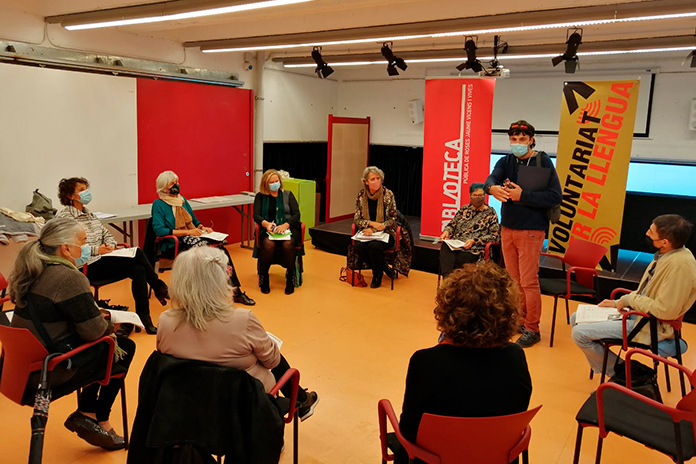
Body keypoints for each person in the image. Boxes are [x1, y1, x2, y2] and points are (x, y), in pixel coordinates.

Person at [8, 217, 135, 450]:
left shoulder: (32, 269)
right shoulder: (70, 277)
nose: (86, 247)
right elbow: (95, 332)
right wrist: (110, 324)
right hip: (48, 370)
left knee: (105, 345)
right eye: (83, 241)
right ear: (66, 248)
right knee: (122, 347)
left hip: (18, 369)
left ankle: (87, 412)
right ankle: (98, 418)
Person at [156, 246, 319, 421]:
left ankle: (301, 400)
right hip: (243, 404)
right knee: (267, 355)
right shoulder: (242, 320)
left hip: (189, 404)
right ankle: (299, 402)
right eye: (227, 271)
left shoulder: (165, 321)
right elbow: (272, 360)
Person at [396, 262, 532, 464]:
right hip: (495, 457)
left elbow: (409, 431)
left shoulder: (426, 362)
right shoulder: (515, 357)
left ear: (448, 310)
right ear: (506, 314)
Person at [571, 214, 696, 377]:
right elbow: (645, 292)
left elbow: (666, 311)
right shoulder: (666, 255)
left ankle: (622, 374)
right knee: (576, 318)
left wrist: (628, 300)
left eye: (651, 232)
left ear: (665, 242)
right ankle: (620, 369)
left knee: (579, 334)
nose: (647, 233)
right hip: (638, 315)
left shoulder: (680, 266)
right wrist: (618, 303)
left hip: (650, 325)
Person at [484, 120, 562, 348]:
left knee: (528, 281)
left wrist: (523, 196)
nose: (517, 143)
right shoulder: (505, 161)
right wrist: (491, 188)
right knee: (514, 281)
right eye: (513, 139)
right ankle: (519, 319)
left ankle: (532, 328)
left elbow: (555, 196)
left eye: (521, 140)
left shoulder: (542, 160)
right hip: (508, 228)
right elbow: (491, 178)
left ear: (531, 140)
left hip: (531, 230)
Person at [56, 177, 167, 334]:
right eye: (81, 190)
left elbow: (107, 235)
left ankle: (145, 319)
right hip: (85, 266)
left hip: (102, 260)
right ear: (70, 196)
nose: (86, 192)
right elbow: (69, 248)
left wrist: (110, 245)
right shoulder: (64, 219)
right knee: (138, 253)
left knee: (138, 269)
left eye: (86, 188)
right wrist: (97, 250)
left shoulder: (90, 215)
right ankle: (158, 286)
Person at [151, 170, 255, 306]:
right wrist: (187, 232)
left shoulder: (182, 200)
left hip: (192, 239)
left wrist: (201, 227)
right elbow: (159, 230)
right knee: (206, 257)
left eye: (177, 182)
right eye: (172, 183)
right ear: (164, 188)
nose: (177, 185)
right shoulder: (158, 204)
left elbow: (193, 219)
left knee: (222, 251)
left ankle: (236, 292)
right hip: (174, 244)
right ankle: (205, 295)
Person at [253, 169, 302, 295]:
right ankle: (264, 277)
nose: (275, 184)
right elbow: (256, 215)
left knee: (288, 244)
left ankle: (290, 278)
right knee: (269, 244)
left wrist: (286, 224)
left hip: (288, 228)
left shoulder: (288, 194)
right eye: (272, 182)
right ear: (266, 184)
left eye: (277, 181)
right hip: (268, 229)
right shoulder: (260, 196)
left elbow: (296, 214)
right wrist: (266, 224)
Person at [348, 166, 398, 288]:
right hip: (367, 232)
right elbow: (357, 219)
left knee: (374, 246)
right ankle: (384, 267)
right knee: (358, 246)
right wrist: (370, 224)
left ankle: (377, 275)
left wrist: (375, 228)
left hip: (386, 232)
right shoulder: (361, 195)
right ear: (366, 182)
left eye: (378, 178)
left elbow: (393, 219)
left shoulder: (388, 194)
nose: (376, 181)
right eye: (373, 179)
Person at [438, 182, 500, 277]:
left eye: (481, 195)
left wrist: (474, 241)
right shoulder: (464, 209)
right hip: (457, 244)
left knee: (458, 258)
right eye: (475, 195)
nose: (478, 198)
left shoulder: (490, 213)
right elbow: (452, 225)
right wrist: (446, 232)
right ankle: (448, 279)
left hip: (475, 248)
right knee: (446, 248)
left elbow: (494, 236)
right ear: (470, 195)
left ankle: (452, 282)